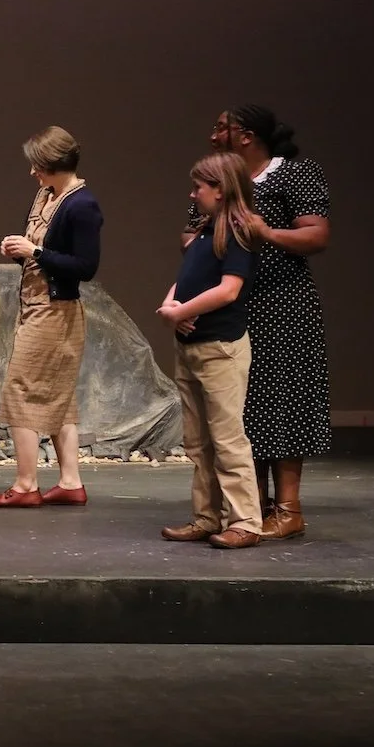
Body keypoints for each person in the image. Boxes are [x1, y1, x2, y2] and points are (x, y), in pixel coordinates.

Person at [186, 105, 331, 539]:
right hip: (233, 303)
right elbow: (191, 232)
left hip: (281, 304)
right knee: (241, 406)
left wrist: (265, 232)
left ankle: (288, 508)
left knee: (281, 400)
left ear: (246, 136)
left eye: (222, 128)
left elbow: (316, 234)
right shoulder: (221, 178)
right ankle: (255, 504)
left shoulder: (293, 174)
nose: (213, 136)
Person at [0, 127, 104, 509]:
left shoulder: (81, 204)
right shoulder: (45, 195)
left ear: (54, 163)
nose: (33, 172)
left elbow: (85, 267)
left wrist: (34, 251)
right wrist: (22, 251)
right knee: (59, 398)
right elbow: (44, 252)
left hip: (56, 312)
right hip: (34, 306)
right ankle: (70, 482)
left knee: (20, 390)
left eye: (38, 165)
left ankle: (25, 485)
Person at [160, 153, 264, 549]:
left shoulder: (238, 232)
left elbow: (229, 289)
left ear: (220, 190)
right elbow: (186, 278)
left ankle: (246, 522)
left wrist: (182, 311)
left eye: (199, 187)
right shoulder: (206, 230)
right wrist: (173, 306)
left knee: (227, 439)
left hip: (220, 349)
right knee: (198, 441)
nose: (193, 194)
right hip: (191, 347)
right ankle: (207, 516)